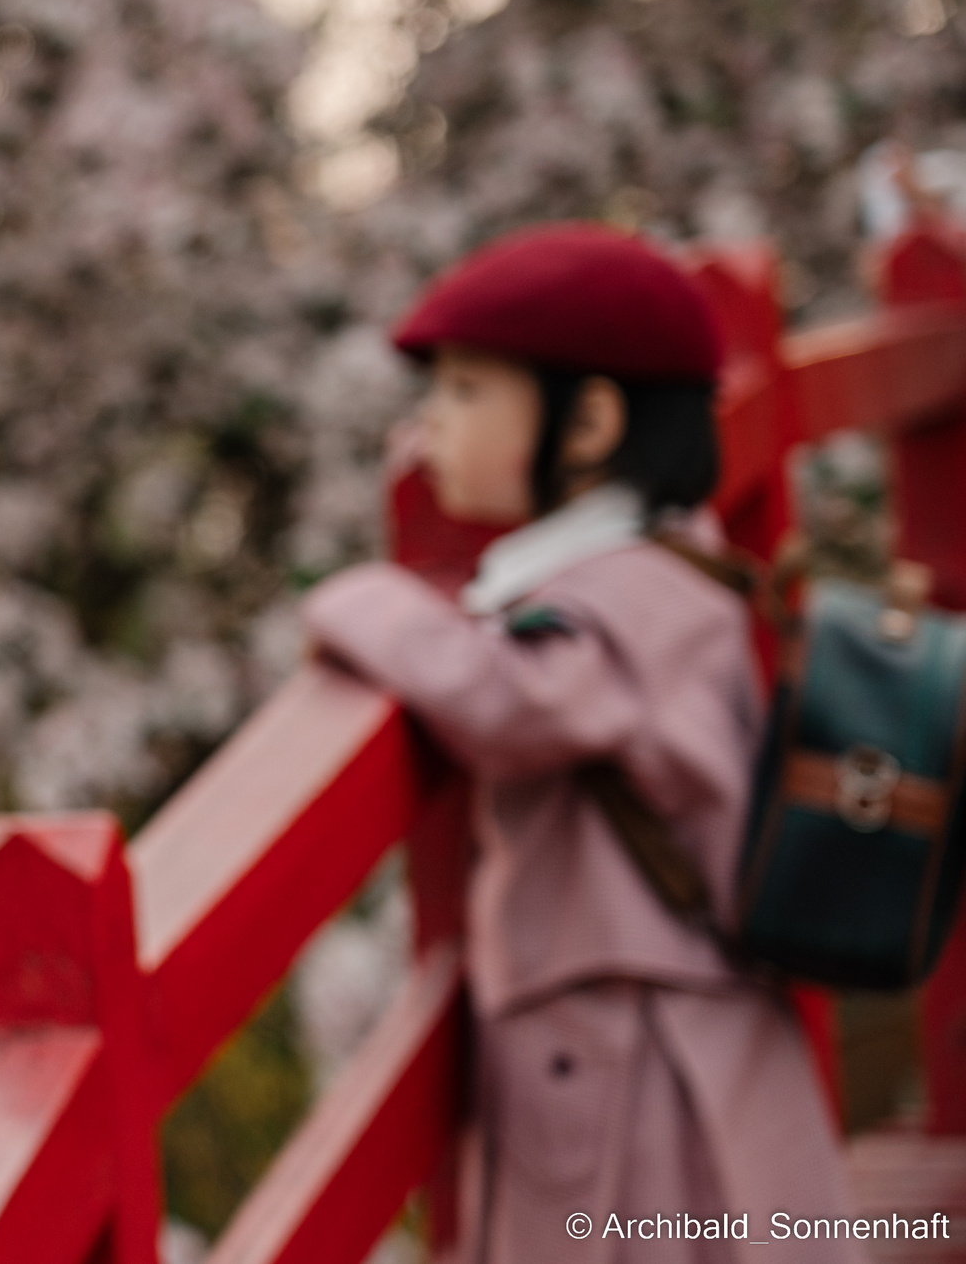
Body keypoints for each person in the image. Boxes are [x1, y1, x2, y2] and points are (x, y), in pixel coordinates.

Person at [299, 223, 855, 1262]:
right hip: (666, 1016)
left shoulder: (615, 596)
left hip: (632, 1042)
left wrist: (361, 600)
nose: (431, 429)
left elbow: (508, 703)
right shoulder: (664, 565)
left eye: (466, 392)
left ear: (590, 418)